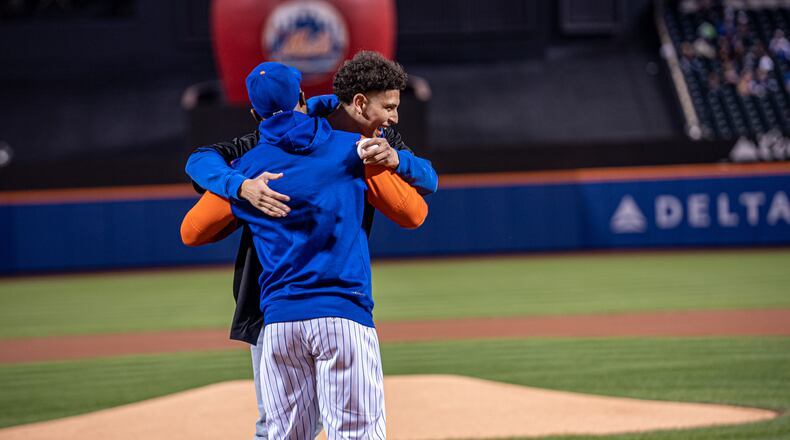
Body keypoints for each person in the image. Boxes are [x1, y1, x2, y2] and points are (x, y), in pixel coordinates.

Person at [185, 51, 437, 439]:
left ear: (254, 114)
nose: (393, 117)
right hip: (342, 312)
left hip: (277, 318)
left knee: (281, 434)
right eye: (389, 107)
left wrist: (239, 188)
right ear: (303, 97)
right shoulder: (357, 149)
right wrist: (391, 163)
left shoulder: (250, 165)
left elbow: (192, 231)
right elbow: (414, 213)